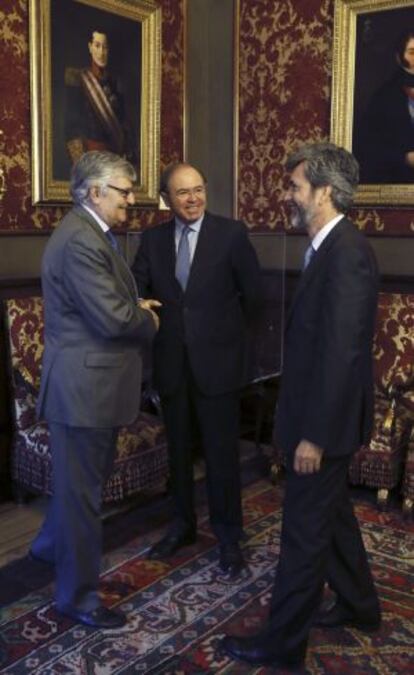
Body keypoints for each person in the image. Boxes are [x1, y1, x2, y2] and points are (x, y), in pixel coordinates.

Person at [223, 142, 381, 669]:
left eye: (294, 186)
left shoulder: (349, 253)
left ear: (324, 192)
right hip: (321, 417)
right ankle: (361, 605)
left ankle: (281, 645)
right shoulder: (327, 247)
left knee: (302, 536)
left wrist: (313, 434)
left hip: (325, 425)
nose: (286, 194)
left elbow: (342, 354)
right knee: (331, 516)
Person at [30, 151, 158, 629]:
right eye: (124, 190)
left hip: (95, 388)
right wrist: (147, 317)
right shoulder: (79, 240)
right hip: (84, 390)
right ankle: (78, 599)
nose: (131, 198)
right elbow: (113, 318)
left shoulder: (91, 233)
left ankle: (47, 548)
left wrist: (132, 303)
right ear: (93, 191)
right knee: (84, 500)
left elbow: (105, 301)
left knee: (80, 489)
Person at [132, 162, 262, 577]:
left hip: (218, 368)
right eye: (183, 193)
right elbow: (138, 290)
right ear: (167, 199)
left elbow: (253, 299)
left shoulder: (231, 234)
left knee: (222, 455)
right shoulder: (151, 240)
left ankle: (229, 535)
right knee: (179, 452)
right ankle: (182, 525)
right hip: (171, 366)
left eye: (198, 190)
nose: (193, 199)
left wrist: (232, 349)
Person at [65, 30, 135, 165]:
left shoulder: (116, 83)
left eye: (105, 47)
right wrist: (81, 165)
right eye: (97, 46)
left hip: (115, 159)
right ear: (90, 47)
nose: (101, 52)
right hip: (92, 158)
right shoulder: (78, 79)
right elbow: (71, 127)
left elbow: (124, 125)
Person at [357, 29, 414, 183]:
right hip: (399, 180)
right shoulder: (385, 96)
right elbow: (369, 146)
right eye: (412, 52)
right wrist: (404, 157)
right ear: (398, 57)